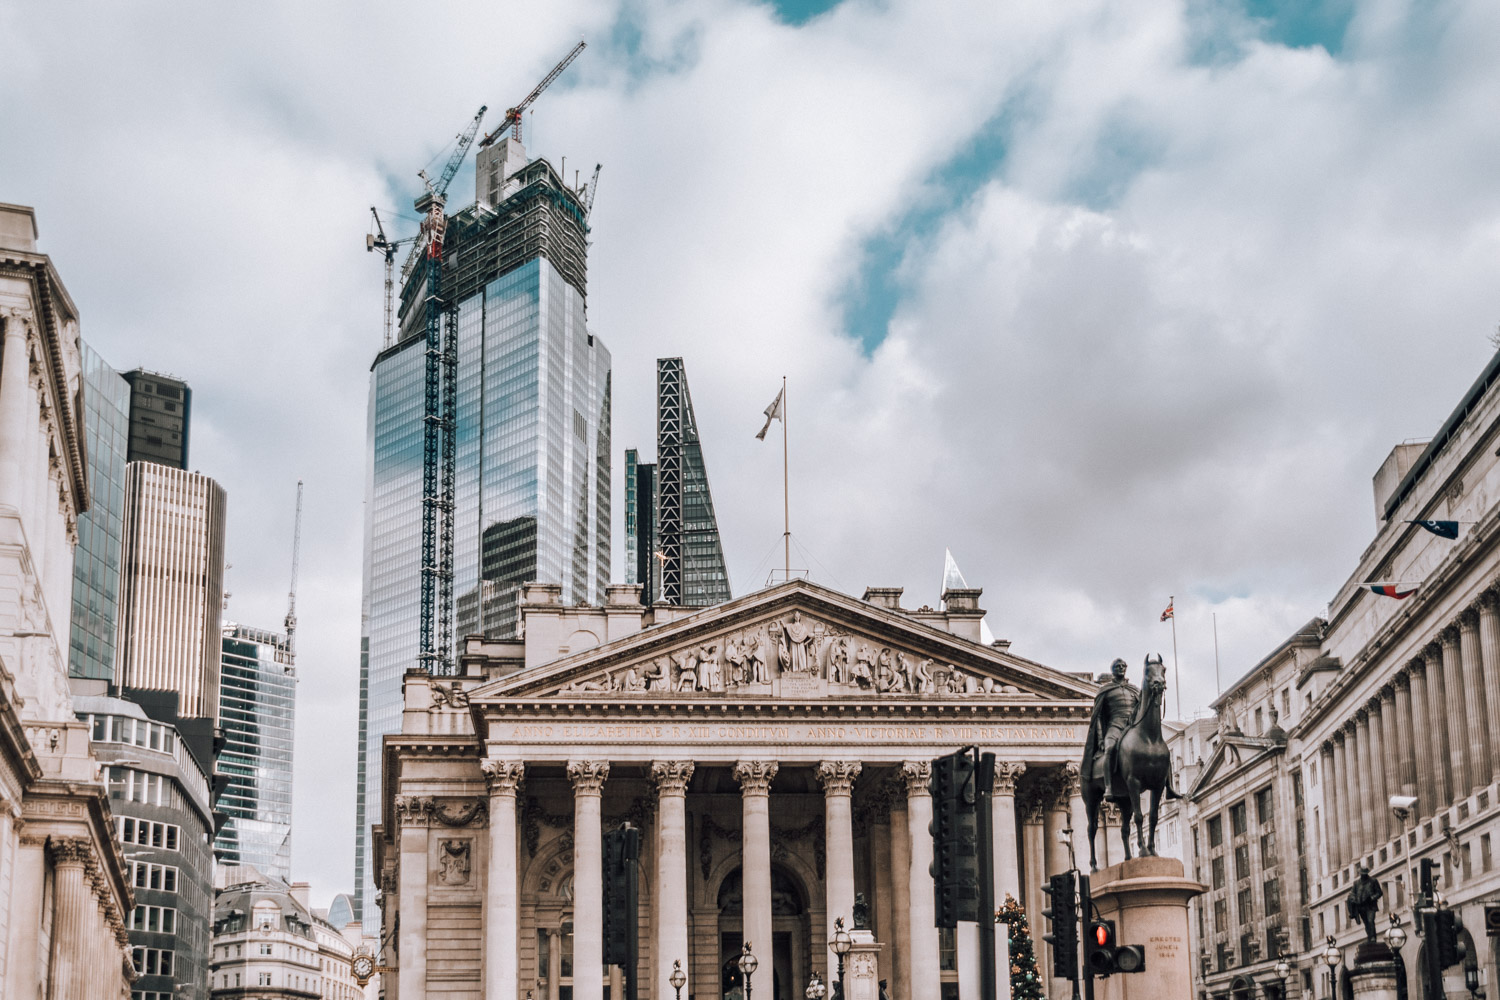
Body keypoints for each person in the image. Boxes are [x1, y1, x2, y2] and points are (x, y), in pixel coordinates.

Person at [1082, 658, 1139, 803]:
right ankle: (1108, 786)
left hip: (1132, 728)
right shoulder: (1105, 690)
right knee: (1109, 749)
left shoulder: (1134, 690)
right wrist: (1101, 739)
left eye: (1123, 666)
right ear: (1112, 669)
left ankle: (1167, 785)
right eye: (1117, 666)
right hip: (1115, 726)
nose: (1120, 668)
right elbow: (1099, 716)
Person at [1347, 866, 1383, 941]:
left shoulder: (1373, 881)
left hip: (1370, 906)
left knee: (1370, 921)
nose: (1363, 875)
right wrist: (1354, 899)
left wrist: (1372, 898)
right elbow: (1352, 893)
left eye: (1365, 874)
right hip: (1361, 906)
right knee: (1366, 923)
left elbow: (1379, 892)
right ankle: (1369, 936)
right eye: (1362, 874)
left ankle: (1373, 937)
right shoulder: (1356, 883)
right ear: (1360, 874)